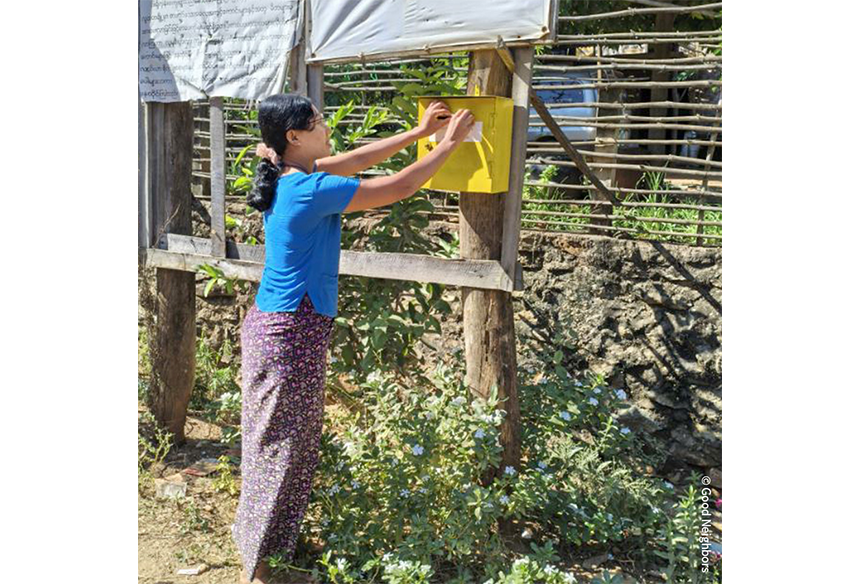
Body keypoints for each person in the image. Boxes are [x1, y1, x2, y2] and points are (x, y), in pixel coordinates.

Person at [232, 92, 475, 584]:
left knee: (292, 445)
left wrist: (418, 133)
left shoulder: (287, 173)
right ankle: (258, 573)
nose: (326, 128)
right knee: (280, 447)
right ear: (294, 136)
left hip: (284, 327)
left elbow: (356, 160)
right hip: (289, 331)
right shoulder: (307, 189)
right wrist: (447, 144)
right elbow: (398, 187)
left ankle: (268, 558)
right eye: (317, 123)